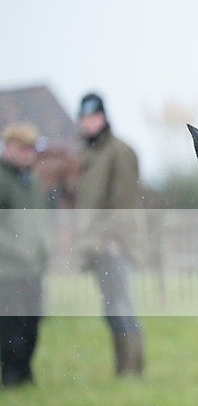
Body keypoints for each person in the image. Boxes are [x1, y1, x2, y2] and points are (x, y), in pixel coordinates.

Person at [74, 92, 144, 376]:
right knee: (112, 308)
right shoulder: (91, 153)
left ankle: (131, 372)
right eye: (84, 118)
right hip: (96, 244)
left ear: (103, 117)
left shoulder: (120, 152)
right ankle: (123, 371)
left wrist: (113, 240)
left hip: (114, 244)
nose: (88, 123)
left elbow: (122, 202)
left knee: (121, 306)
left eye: (93, 117)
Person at [0, 123, 49, 387]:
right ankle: (11, 378)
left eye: (31, 149)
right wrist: (19, 250)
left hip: (32, 269)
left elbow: (41, 221)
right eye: (22, 149)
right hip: (7, 272)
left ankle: (25, 376)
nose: (27, 155)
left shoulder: (32, 182)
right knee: (10, 328)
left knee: (31, 326)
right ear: (8, 148)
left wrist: (45, 246)